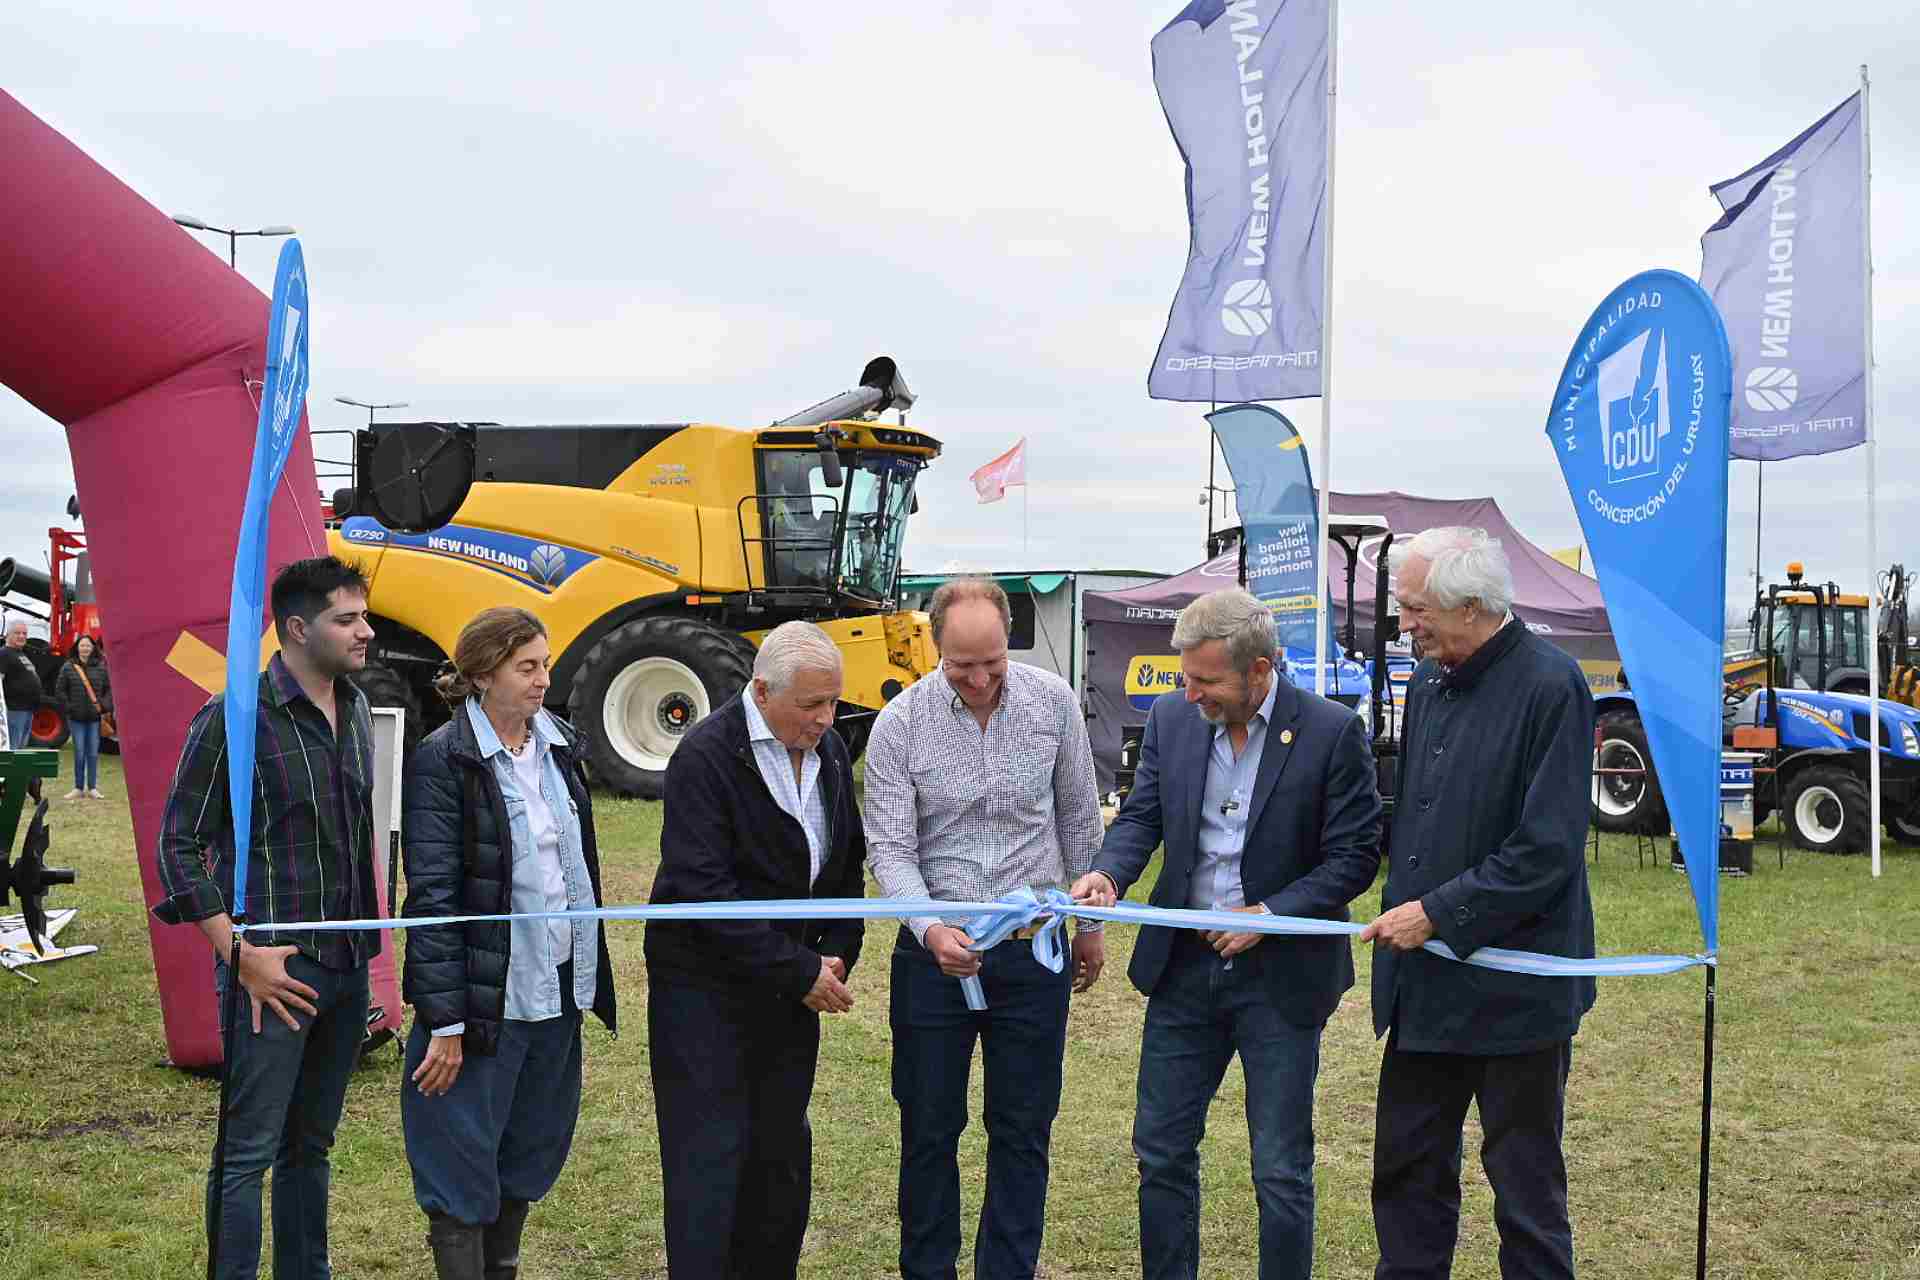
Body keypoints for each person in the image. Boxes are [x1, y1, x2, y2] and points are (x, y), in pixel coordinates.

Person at [1072, 588, 1383, 1279]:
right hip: (1182, 974)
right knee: (1161, 1150)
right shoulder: (1175, 724)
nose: (1191, 693)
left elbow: (1354, 857)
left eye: (1206, 679)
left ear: (1262, 671)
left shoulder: (1332, 732)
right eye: (1186, 675)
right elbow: (1142, 818)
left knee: (1279, 1168)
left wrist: (1269, 918)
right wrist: (1109, 878)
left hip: (1282, 984)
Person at [1358, 527, 1597, 1280]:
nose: (1405, 627)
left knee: (1524, 1186)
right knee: (1406, 1174)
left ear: (1469, 605)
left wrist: (1437, 912)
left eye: (1415, 611)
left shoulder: (1553, 686)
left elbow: (1547, 847)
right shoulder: (1428, 680)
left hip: (1517, 991)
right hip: (1426, 988)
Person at [865, 576, 1106, 1280]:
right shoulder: (900, 725)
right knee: (929, 1130)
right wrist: (931, 928)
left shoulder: (1053, 706)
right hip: (934, 961)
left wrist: (1088, 923)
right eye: (962, 664)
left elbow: (1079, 820)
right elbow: (891, 849)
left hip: (1034, 953)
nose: (978, 678)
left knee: (1024, 1129)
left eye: (992, 662)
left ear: (1009, 637)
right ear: (936, 647)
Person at [153, 556, 380, 1280]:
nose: (364, 631)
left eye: (362, 615)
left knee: (310, 1148)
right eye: (346, 619)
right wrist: (237, 953)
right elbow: (178, 845)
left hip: (346, 965)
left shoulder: (361, 710)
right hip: (271, 970)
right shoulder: (234, 717)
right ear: (295, 627)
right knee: (248, 1152)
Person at [645, 620, 868, 1279]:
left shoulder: (827, 753)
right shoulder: (705, 757)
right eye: (812, 705)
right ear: (762, 690)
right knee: (708, 1161)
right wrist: (798, 968)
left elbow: (844, 867)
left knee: (779, 1158)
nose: (827, 719)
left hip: (789, 992)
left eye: (834, 703)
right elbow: (703, 890)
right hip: (704, 994)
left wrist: (836, 950)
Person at [401, 606, 616, 1280]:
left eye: (545, 664)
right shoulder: (443, 761)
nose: (543, 679)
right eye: (528, 667)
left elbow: (574, 870)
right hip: (485, 998)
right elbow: (432, 897)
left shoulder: (560, 746)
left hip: (556, 988)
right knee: (460, 1159)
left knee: (529, 1152)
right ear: (483, 673)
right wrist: (445, 1020)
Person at [55, 633, 112, 799]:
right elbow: (60, 690)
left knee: (93, 753)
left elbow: (109, 690)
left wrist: (104, 706)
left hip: (94, 719)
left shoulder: (101, 667)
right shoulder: (68, 667)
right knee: (79, 752)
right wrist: (69, 708)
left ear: (93, 648)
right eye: (82, 645)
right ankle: (78, 788)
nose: (85, 648)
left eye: (88, 645)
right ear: (77, 648)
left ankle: (92, 787)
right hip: (76, 719)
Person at [2, 619, 42, 750]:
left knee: (20, 749)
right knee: (13, 750)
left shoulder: (20, 654)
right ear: (8, 635)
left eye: (24, 633)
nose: (22, 636)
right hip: (14, 710)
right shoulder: (4, 653)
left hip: (27, 709)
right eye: (17, 633)